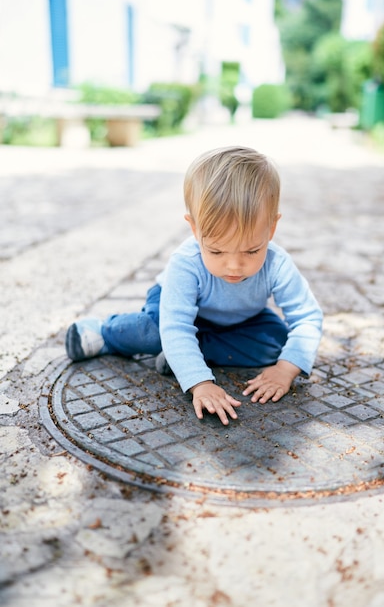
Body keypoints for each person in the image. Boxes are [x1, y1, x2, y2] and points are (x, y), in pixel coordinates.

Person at [66, 145, 323, 426]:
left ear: (271, 229)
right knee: (156, 333)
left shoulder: (277, 263)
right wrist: (200, 382)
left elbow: (307, 317)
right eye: (216, 251)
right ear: (194, 229)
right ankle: (106, 332)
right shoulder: (186, 263)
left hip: (239, 318)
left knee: (278, 343)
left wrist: (285, 370)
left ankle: (185, 354)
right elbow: (176, 326)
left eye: (251, 251)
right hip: (172, 307)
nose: (234, 266)